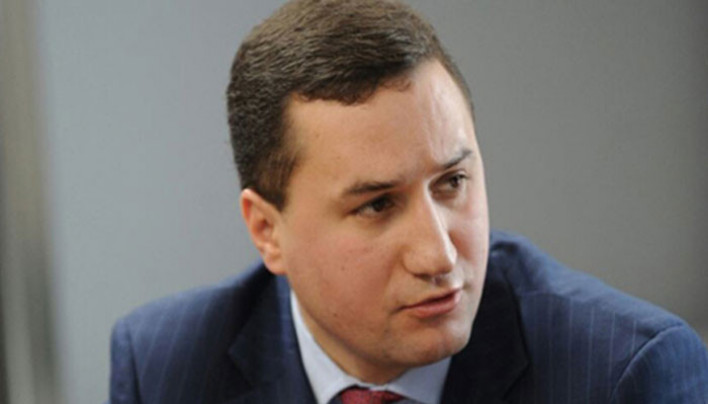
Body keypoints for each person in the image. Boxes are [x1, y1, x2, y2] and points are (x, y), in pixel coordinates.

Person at [108, 0, 708, 403]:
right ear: (268, 230)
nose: (439, 255)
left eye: (452, 183)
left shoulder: (624, 374)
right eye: (376, 205)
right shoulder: (164, 367)